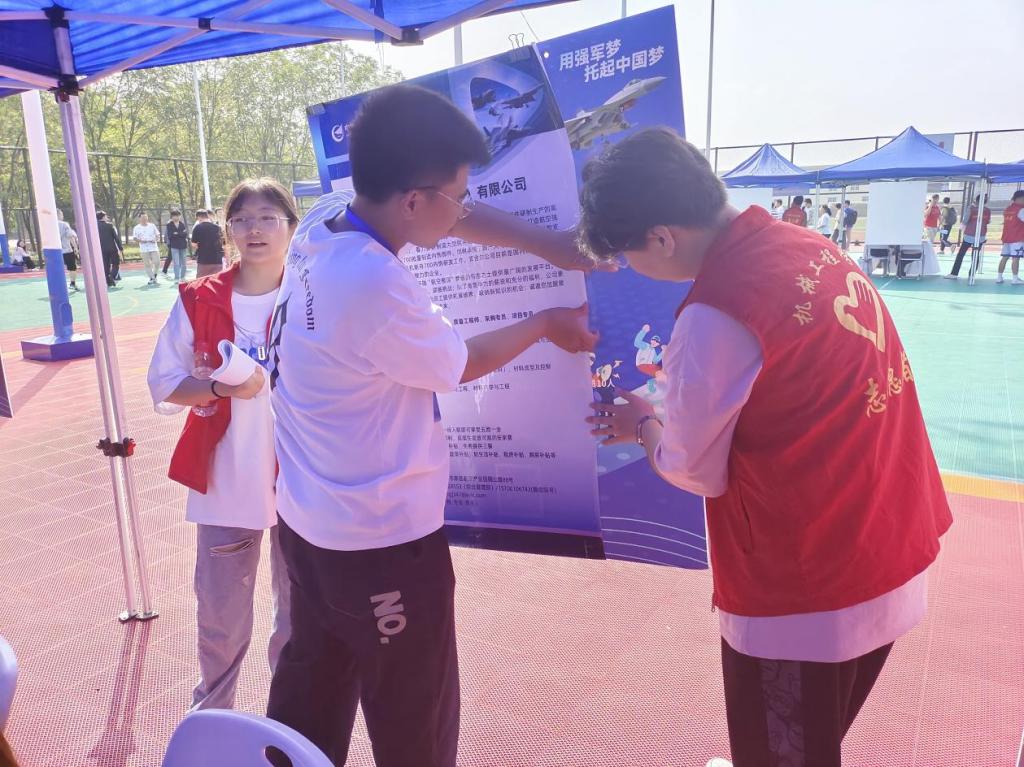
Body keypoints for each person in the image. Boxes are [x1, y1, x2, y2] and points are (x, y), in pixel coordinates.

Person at [578, 128, 951, 767]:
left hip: (807, 586)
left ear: (662, 237)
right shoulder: (812, 246)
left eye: (628, 255)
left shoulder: (716, 310)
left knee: (784, 751)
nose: (632, 269)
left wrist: (643, 424)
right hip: (889, 536)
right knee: (815, 735)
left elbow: (694, 468)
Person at [264, 84, 598, 767]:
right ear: (414, 201)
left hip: (307, 524)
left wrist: (551, 246)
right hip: (381, 543)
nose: (464, 209)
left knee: (309, 700)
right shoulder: (372, 283)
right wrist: (544, 323)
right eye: (458, 194)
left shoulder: (325, 222)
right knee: (413, 719)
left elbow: (454, 218)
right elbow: (460, 362)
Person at [147, 177, 298, 712]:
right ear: (228, 230)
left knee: (301, 618)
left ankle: (293, 718)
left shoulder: (312, 294)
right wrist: (217, 387)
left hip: (304, 481)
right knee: (221, 619)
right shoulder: (200, 299)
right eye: (242, 219)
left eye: (268, 218)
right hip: (227, 484)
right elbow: (165, 383)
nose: (255, 229)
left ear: (291, 227)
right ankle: (213, 718)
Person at [945, 194, 991, 280]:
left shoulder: (971, 209)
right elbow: (988, 221)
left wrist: (963, 228)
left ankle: (954, 273)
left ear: (976, 200)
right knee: (975, 255)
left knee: (961, 254)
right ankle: (971, 275)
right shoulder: (987, 210)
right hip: (980, 236)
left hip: (969, 235)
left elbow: (965, 221)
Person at [995, 190, 1024, 285]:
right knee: (1015, 258)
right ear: (1020, 198)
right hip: (1017, 238)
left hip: (1007, 238)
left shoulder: (1008, 209)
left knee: (1005, 257)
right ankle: (1015, 279)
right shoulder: (1021, 210)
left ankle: (999, 277)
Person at [192, 209, 225, 279]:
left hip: (204, 259)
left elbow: (193, 244)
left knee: (201, 281)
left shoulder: (197, 227)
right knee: (216, 281)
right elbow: (224, 244)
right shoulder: (218, 227)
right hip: (217, 259)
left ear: (199, 217)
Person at [132, 213, 162, 285]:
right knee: (147, 264)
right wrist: (141, 241)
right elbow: (135, 238)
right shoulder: (136, 228)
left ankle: (154, 275)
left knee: (157, 262)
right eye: (143, 218)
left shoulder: (152, 225)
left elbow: (157, 235)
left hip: (153, 247)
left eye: (146, 217)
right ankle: (152, 278)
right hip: (144, 248)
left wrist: (156, 239)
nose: (145, 219)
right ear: (139, 218)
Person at [96, 211, 123, 288]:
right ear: (103, 217)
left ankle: (108, 281)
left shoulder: (95, 226)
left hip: (102, 249)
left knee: (106, 265)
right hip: (112, 248)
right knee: (116, 263)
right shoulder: (110, 225)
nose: (106, 217)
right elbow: (116, 237)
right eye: (105, 216)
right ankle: (112, 276)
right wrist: (120, 248)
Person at [164, 209, 190, 282]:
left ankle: (183, 277)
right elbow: (170, 235)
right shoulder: (169, 225)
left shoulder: (182, 224)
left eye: (178, 216)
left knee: (184, 262)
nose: (176, 217)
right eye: (174, 216)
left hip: (183, 245)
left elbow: (185, 234)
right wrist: (180, 234)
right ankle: (176, 278)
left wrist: (177, 233)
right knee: (176, 263)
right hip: (174, 246)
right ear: (172, 217)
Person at [56, 209, 79, 291]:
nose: (63, 216)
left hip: (55, 251)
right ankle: (72, 283)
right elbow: (70, 236)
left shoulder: (49, 225)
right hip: (66, 249)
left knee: (57, 268)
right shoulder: (64, 224)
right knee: (72, 267)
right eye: (61, 214)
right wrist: (75, 247)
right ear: (58, 215)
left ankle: (58, 285)